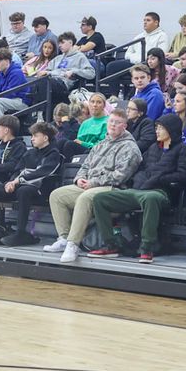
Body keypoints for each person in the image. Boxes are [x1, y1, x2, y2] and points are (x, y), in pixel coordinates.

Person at [88, 113, 186, 262]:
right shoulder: (152, 148)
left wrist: (158, 179)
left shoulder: (183, 149)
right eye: (156, 127)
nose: (157, 131)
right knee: (100, 199)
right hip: (140, 189)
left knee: (150, 198)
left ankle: (146, 248)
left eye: (161, 128)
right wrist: (141, 180)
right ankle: (111, 244)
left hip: (161, 192)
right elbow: (140, 170)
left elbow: (183, 176)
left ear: (171, 129)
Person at [45, 110, 141, 263]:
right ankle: (64, 238)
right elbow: (85, 166)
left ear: (125, 126)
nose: (113, 125)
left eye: (117, 123)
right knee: (57, 195)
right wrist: (79, 179)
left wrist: (93, 183)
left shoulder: (130, 148)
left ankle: (73, 244)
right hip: (90, 185)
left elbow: (120, 176)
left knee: (85, 198)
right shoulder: (101, 144)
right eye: (111, 121)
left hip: (114, 190)